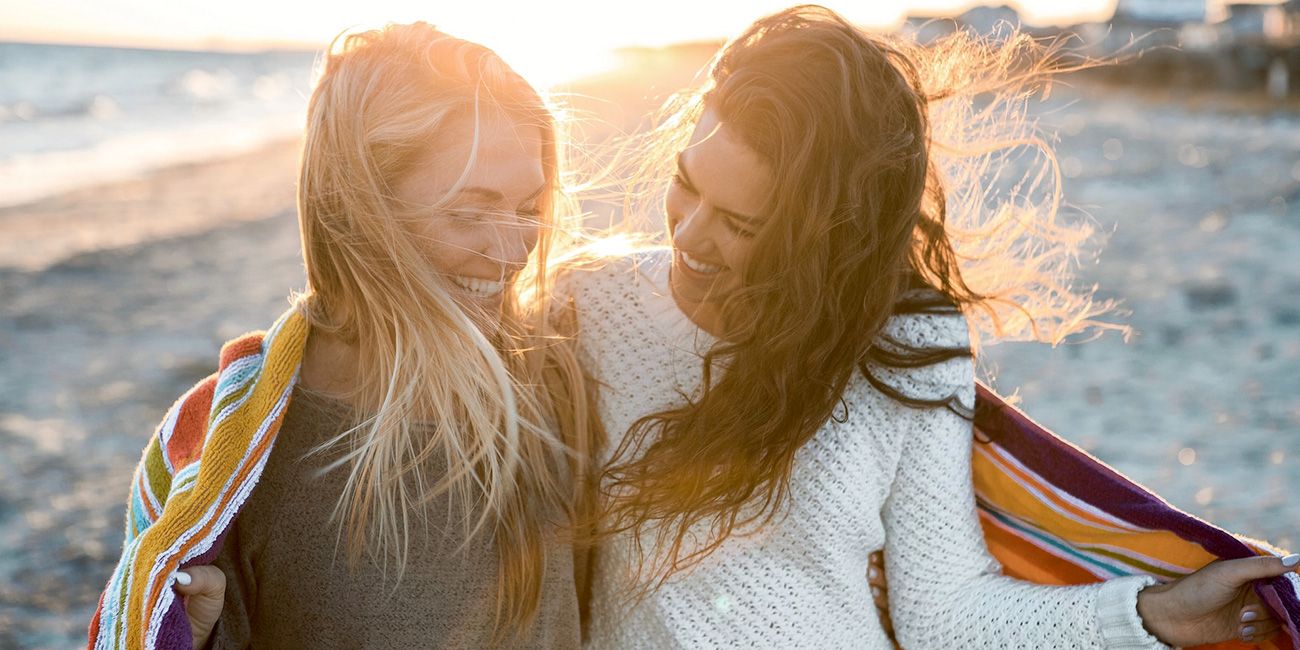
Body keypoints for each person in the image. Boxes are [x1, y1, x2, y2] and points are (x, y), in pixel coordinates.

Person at [561, 5, 1299, 648]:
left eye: (741, 223)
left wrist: (1152, 617)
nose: (689, 235)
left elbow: (944, 613)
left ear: (826, 232)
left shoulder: (908, 346)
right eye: (686, 184)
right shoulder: (583, 307)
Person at [88, 22, 599, 649]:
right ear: (358, 209)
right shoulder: (234, 454)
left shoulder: (551, 373)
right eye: (469, 213)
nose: (513, 248)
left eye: (528, 210)